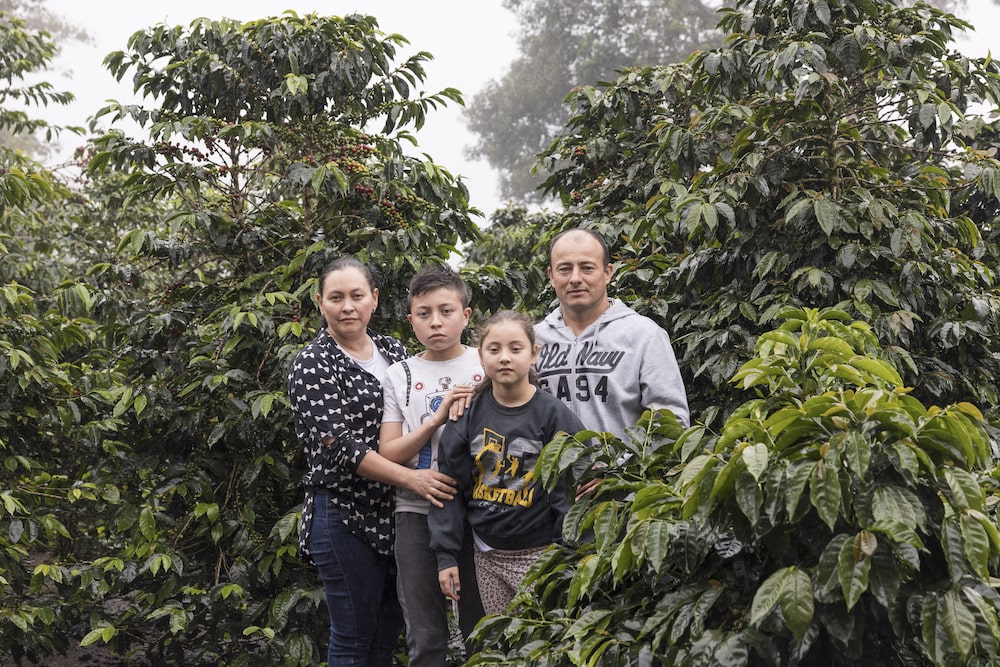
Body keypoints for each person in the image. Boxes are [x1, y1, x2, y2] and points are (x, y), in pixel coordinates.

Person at [287, 257, 458, 667]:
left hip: (394, 516)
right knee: (353, 638)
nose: (348, 306)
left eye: (357, 296)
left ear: (374, 300)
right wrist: (414, 479)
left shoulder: (394, 352)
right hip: (343, 517)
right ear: (320, 303)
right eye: (336, 297)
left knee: (386, 637)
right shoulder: (313, 363)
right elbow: (340, 447)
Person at [428, 310, 586, 616]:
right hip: (487, 554)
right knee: (503, 643)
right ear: (480, 355)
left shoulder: (552, 415)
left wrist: (569, 553)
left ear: (533, 354)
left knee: (544, 641)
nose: (504, 358)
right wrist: (445, 556)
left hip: (542, 554)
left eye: (516, 349)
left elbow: (571, 490)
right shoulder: (468, 413)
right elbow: (448, 488)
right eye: (494, 349)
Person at [379, 265, 486, 666]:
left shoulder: (486, 362)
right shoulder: (400, 375)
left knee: (483, 627)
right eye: (424, 314)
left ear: (466, 315)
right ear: (411, 320)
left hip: (480, 509)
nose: (435, 322)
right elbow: (390, 452)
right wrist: (436, 418)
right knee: (424, 635)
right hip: (416, 513)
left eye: (446, 310)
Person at [535, 228, 690, 437]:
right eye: (564, 269)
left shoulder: (644, 336)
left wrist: (623, 466)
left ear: (607, 273)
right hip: (548, 469)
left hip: (625, 470)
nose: (575, 278)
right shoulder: (532, 340)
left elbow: (672, 422)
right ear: (551, 276)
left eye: (587, 268)